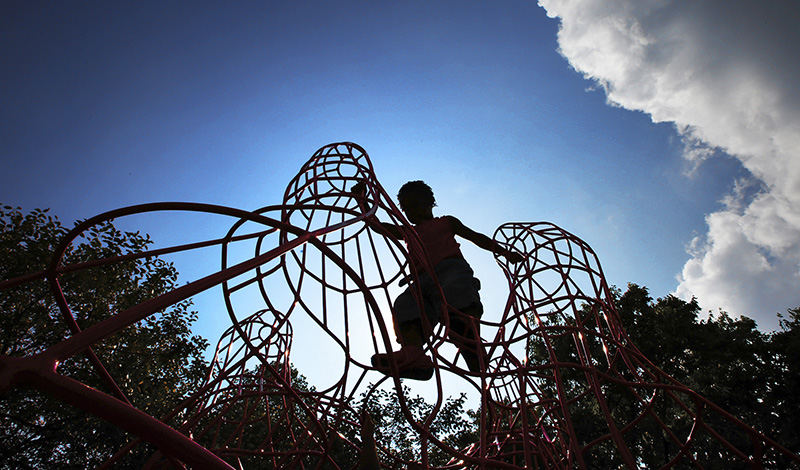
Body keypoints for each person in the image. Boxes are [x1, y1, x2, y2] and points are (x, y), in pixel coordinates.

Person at [351, 180, 523, 380]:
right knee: (406, 304)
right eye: (406, 209)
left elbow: (476, 237)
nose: (411, 212)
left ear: (430, 202)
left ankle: (471, 343)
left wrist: (504, 252)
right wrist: (362, 201)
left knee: (457, 292)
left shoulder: (446, 222)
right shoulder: (408, 231)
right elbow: (378, 226)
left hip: (450, 269)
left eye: (415, 204)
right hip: (422, 280)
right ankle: (414, 354)